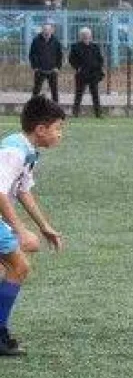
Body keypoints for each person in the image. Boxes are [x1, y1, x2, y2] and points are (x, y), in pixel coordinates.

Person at [0, 97, 66, 356]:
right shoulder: (14, 152)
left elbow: (23, 191)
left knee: (9, 267)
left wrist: (44, 226)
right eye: (57, 128)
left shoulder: (27, 151)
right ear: (40, 129)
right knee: (19, 267)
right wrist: (19, 230)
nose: (59, 134)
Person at [68, 27, 105, 118]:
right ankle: (75, 113)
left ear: (90, 36)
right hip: (82, 74)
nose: (86, 36)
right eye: (84, 35)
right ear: (81, 36)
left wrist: (98, 68)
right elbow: (71, 59)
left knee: (95, 94)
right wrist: (77, 68)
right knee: (79, 94)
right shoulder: (75, 46)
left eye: (88, 34)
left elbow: (100, 59)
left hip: (93, 74)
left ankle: (98, 113)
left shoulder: (95, 47)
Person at [28, 23, 63, 104]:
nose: (47, 31)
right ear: (42, 30)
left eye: (48, 30)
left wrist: (57, 67)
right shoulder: (36, 40)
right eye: (45, 29)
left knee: (54, 91)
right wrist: (35, 67)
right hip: (39, 70)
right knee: (36, 90)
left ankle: (56, 107)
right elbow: (32, 54)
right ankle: (32, 107)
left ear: (52, 31)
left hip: (52, 70)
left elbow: (60, 55)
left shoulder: (56, 41)